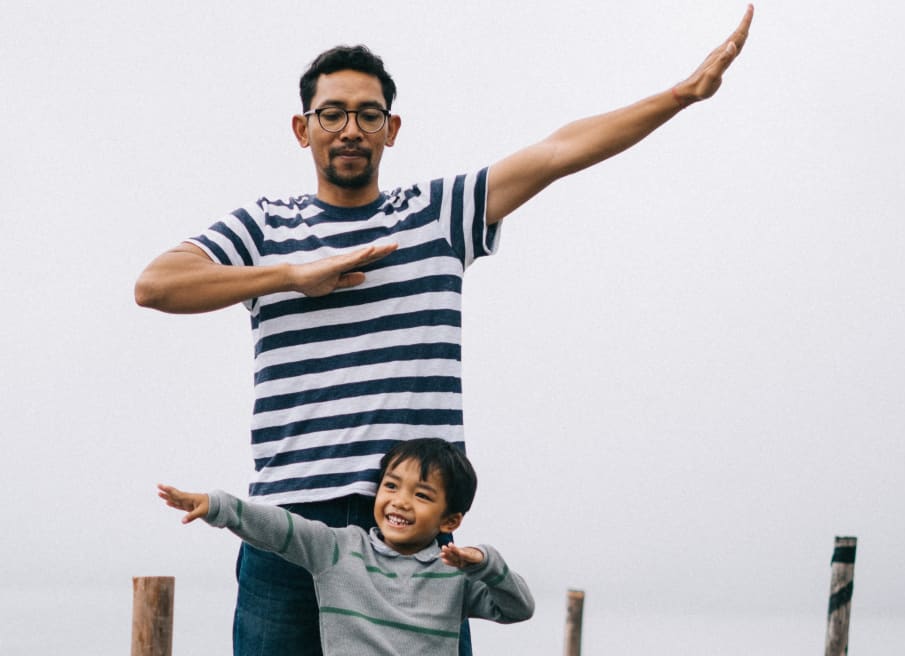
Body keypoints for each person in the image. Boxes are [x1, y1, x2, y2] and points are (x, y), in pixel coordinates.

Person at [134, 6, 753, 656]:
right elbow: (157, 284)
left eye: (368, 114)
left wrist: (682, 95)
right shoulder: (265, 228)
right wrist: (293, 276)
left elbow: (558, 151)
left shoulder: (436, 215)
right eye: (332, 113)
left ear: (391, 128)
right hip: (288, 525)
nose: (350, 128)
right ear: (302, 128)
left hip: (410, 530)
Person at [158, 438, 534, 656]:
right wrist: (220, 507)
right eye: (390, 486)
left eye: (421, 495)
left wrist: (484, 562)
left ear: (449, 521)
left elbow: (518, 608)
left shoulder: (453, 574)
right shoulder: (339, 550)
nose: (400, 502)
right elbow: (283, 527)